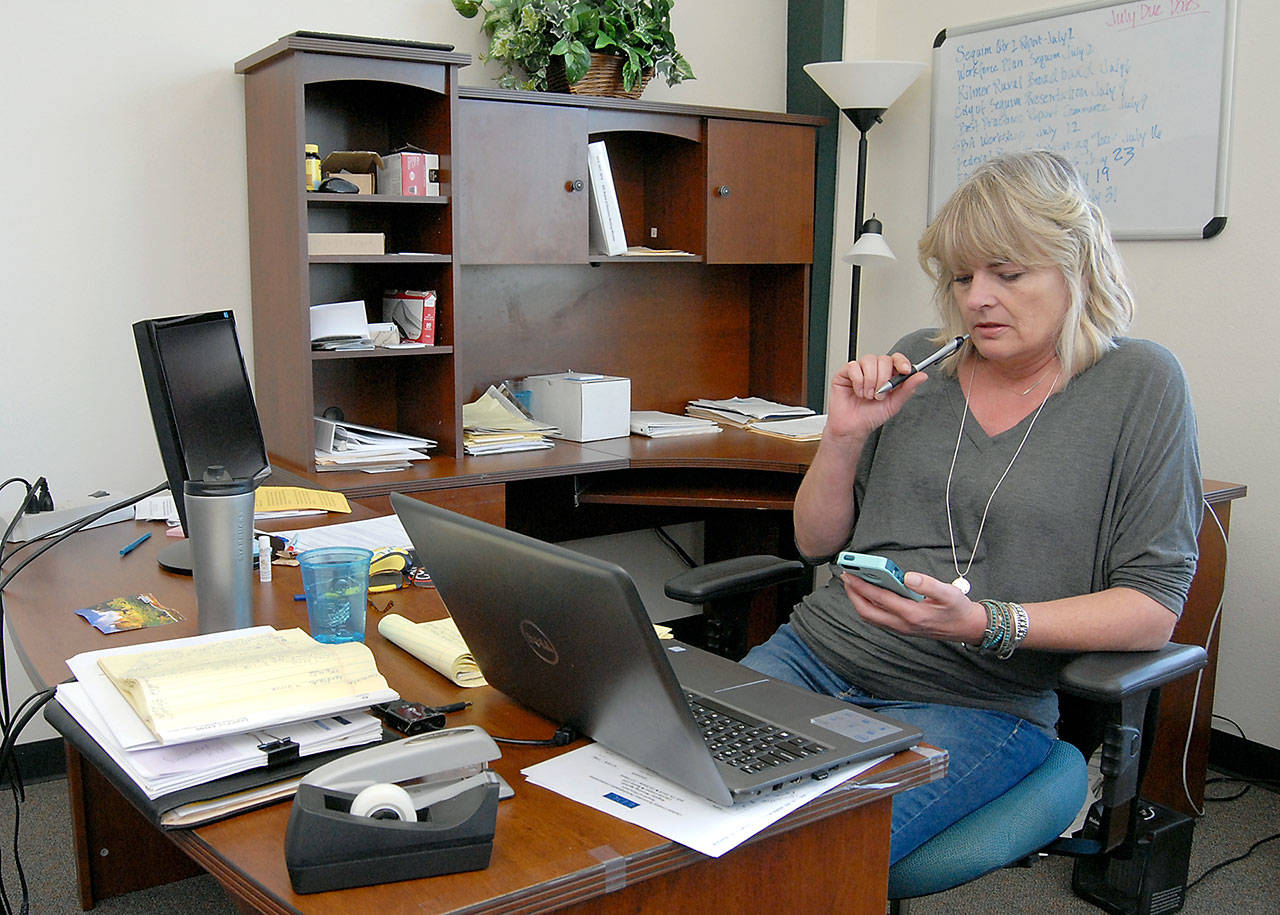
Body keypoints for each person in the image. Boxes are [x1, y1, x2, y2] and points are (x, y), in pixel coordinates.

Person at [741, 150, 1203, 864]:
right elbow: (814, 542)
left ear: (1075, 266)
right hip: (815, 655)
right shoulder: (918, 365)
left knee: (799, 856)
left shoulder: (1140, 384)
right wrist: (841, 438)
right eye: (962, 277)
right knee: (673, 802)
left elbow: (1154, 606)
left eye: (1007, 274)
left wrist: (987, 622)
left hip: (973, 702)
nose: (976, 297)